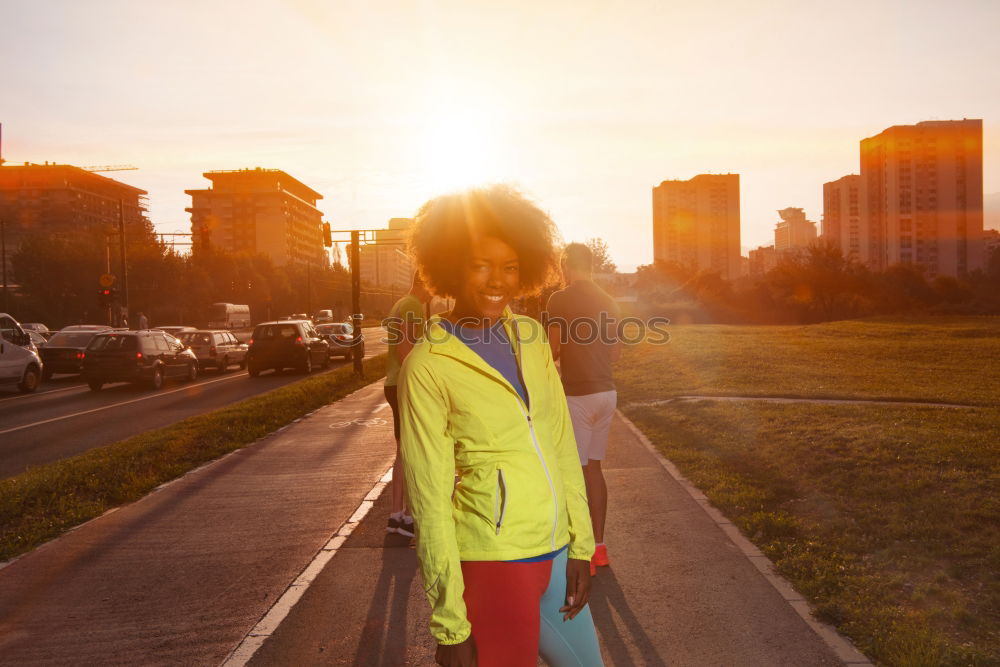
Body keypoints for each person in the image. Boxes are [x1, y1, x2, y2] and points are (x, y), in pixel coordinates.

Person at [399, 185, 603, 667]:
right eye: (480, 265)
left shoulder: (530, 336)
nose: (498, 280)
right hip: (494, 560)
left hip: (557, 552)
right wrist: (450, 625)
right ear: (450, 267)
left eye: (510, 266)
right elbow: (428, 499)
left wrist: (583, 545)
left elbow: (558, 442)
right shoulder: (428, 365)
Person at [544, 243, 621, 577]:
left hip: (577, 395)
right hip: (607, 392)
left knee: (572, 474)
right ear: (590, 264)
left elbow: (553, 349)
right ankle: (599, 548)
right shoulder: (608, 300)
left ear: (565, 265)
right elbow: (615, 350)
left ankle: (580, 553)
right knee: (594, 469)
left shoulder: (559, 300)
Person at [384, 272, 432, 537]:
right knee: (412, 449)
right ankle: (411, 518)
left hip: (393, 381)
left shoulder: (400, 303)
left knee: (403, 449)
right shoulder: (412, 305)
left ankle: (396, 516)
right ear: (425, 281)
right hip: (404, 383)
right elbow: (406, 350)